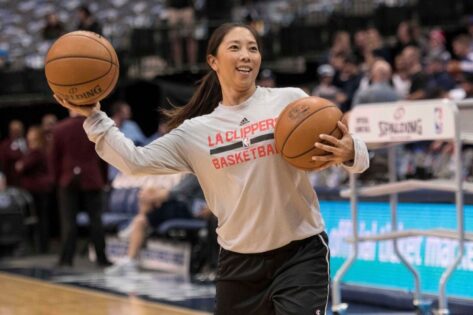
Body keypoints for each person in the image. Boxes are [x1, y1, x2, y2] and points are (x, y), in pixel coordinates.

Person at [54, 22, 369, 315]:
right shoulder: (196, 132)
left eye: (253, 48)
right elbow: (135, 162)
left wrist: (351, 150)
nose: (246, 55)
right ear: (213, 61)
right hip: (238, 264)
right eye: (235, 47)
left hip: (300, 254)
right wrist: (94, 117)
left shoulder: (290, 101)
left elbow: (352, 152)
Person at [105, 174, 211, 275]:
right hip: (182, 205)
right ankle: (132, 252)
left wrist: (156, 196)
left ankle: (137, 227)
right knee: (146, 201)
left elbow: (178, 192)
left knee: (147, 201)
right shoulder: (191, 173)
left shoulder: (197, 173)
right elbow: (176, 192)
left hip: (193, 210)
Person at [50, 110, 111, 267]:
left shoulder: (59, 128)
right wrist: (103, 179)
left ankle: (66, 259)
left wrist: (57, 180)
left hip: (67, 179)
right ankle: (101, 258)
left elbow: (54, 158)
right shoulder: (95, 128)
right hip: (93, 178)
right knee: (96, 220)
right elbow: (104, 155)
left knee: (68, 221)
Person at [15, 126, 53, 253]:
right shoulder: (37, 150)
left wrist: (20, 165)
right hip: (40, 189)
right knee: (41, 219)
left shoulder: (36, 152)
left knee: (39, 220)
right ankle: (41, 246)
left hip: (37, 190)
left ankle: (41, 247)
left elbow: (21, 166)